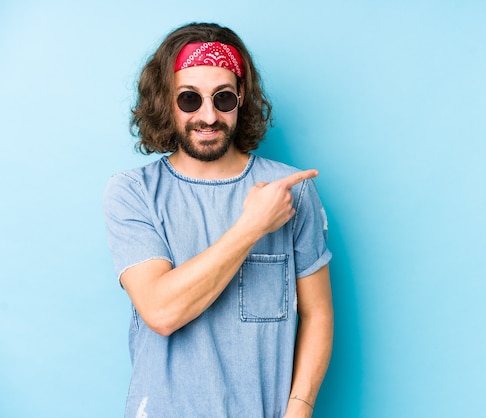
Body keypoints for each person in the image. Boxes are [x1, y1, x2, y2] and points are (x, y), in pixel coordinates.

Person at [103, 22, 333, 418]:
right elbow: (161, 311)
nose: (208, 116)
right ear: (166, 101)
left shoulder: (290, 191)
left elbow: (318, 312)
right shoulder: (132, 193)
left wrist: (299, 409)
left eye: (223, 98)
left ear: (241, 99)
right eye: (190, 99)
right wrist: (252, 227)